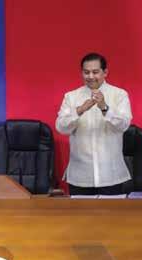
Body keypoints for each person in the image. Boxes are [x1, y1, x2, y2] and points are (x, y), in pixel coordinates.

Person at [55, 53, 132, 195]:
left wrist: (105, 108)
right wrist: (80, 110)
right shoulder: (71, 97)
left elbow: (124, 125)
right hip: (80, 177)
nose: (90, 76)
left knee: (113, 211)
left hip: (111, 175)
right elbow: (61, 127)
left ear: (105, 72)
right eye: (86, 72)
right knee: (80, 211)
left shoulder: (119, 95)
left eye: (95, 72)